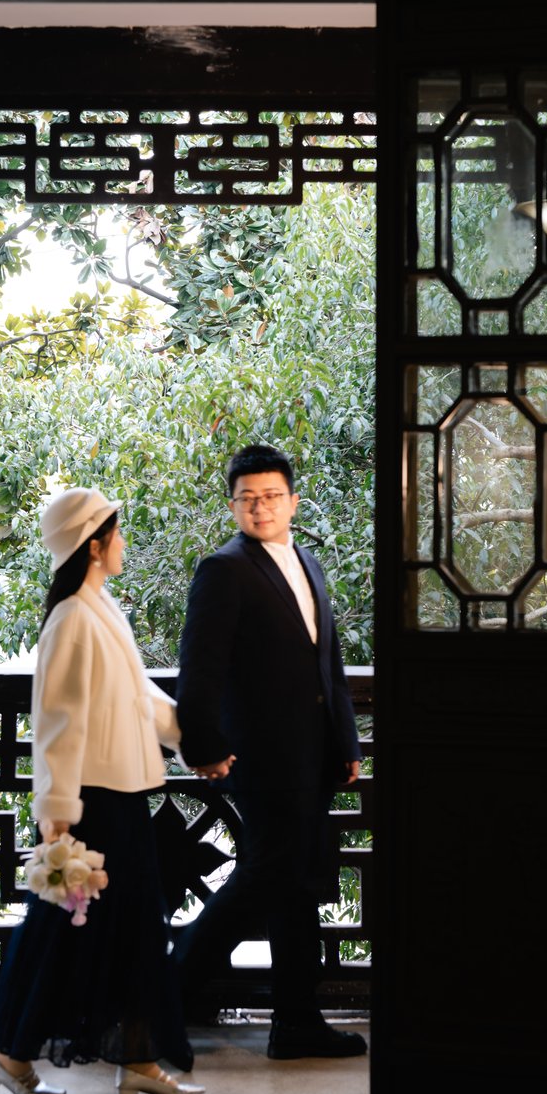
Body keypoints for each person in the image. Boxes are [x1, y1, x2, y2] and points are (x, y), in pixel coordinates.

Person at [0, 487, 204, 1094]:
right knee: (73, 930)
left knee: (121, 930)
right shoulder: (73, 618)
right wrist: (56, 814)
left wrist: (192, 741)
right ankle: (15, 1054)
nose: (123, 543)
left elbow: (140, 696)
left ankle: (128, 1059)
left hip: (120, 794)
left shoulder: (99, 607)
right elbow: (57, 721)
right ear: (95, 545)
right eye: (117, 533)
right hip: (94, 803)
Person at [173, 444, 368, 1060]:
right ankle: (156, 1002)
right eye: (248, 498)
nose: (261, 508)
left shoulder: (307, 561)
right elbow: (199, 669)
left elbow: (328, 662)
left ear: (293, 501)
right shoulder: (223, 569)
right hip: (259, 759)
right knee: (263, 878)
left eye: (272, 496)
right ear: (233, 505)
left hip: (313, 757)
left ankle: (297, 1023)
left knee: (296, 886)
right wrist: (203, 746)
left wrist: (346, 742)